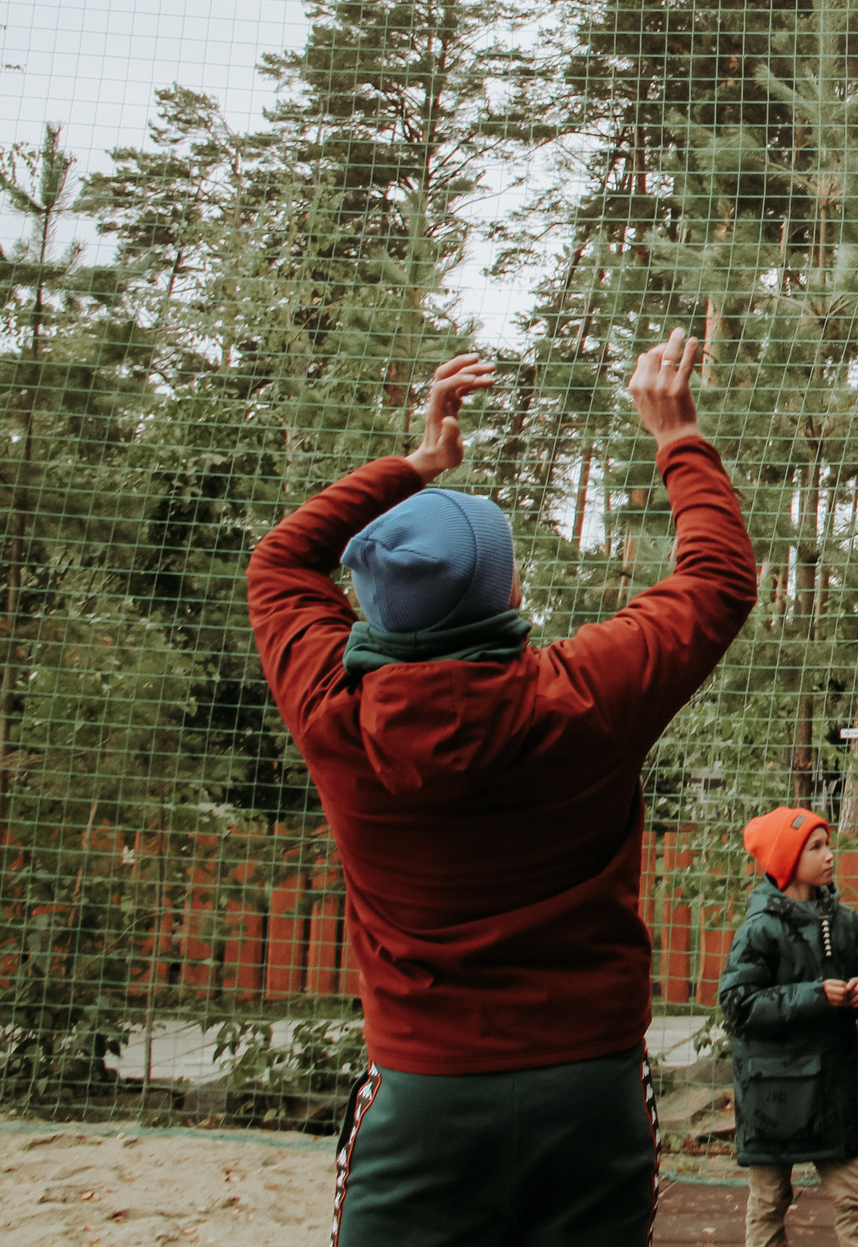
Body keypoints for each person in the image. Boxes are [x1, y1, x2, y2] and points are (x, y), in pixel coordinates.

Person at [247, 332, 756, 1247]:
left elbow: (279, 563)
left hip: (421, 1097)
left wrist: (414, 463)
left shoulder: (333, 713)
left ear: (369, 606)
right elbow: (716, 578)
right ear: (505, 589)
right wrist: (675, 431)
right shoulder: (584, 697)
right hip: (589, 1090)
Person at [719, 807, 858, 1247]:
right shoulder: (759, 930)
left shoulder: (846, 923)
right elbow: (738, 1006)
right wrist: (814, 996)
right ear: (787, 861)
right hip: (772, 1099)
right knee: (769, 1203)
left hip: (834, 1091)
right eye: (816, 847)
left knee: (854, 1200)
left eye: (827, 844)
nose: (830, 855)